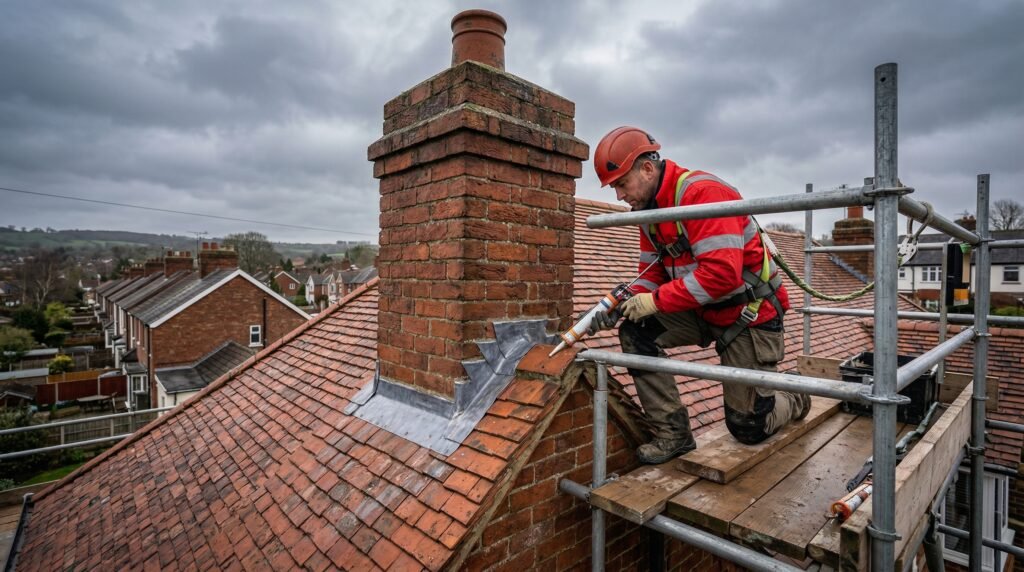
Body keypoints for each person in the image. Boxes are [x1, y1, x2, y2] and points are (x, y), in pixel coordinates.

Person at [588, 126, 810, 464]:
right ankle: (673, 435)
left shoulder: (704, 194)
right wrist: (622, 303)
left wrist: (655, 302)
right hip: (703, 310)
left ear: (647, 169)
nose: (619, 196)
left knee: (749, 427)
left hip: (746, 315)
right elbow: (653, 274)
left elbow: (721, 276)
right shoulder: (649, 214)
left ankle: (795, 392)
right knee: (636, 331)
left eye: (621, 184)